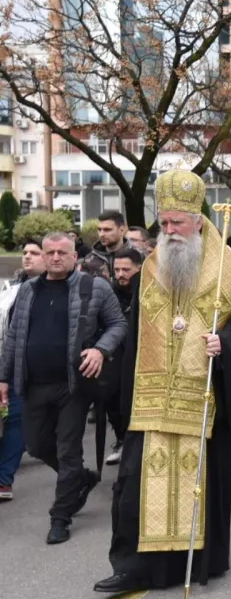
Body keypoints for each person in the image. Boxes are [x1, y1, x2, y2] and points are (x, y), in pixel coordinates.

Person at [94, 170, 231, 594]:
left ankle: (197, 562)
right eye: (163, 223)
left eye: (177, 223)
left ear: (198, 222)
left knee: (197, 488)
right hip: (151, 400)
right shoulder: (151, 267)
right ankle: (133, 569)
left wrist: (223, 345)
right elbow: (136, 333)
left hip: (201, 398)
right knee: (134, 485)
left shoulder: (230, 269)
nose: (168, 231)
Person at [0, 232, 127, 543]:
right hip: (33, 384)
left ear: (74, 257)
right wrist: (3, 378)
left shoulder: (94, 287)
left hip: (74, 384)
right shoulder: (28, 290)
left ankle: (61, 516)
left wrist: (100, 349)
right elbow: (14, 337)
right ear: (43, 256)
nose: (55, 257)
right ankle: (82, 479)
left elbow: (118, 324)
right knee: (36, 445)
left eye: (62, 252)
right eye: (50, 252)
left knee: (68, 450)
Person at [0, 238, 46, 501]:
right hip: (9, 361)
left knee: (19, 422)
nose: (27, 257)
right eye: (25, 252)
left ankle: (4, 478)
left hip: (37, 368)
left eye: (34, 253)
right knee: (12, 419)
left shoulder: (54, 288)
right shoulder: (11, 286)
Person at [104, 248, 143, 467]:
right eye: (116, 269)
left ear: (138, 268)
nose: (120, 274)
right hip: (116, 356)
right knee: (114, 401)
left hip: (141, 355)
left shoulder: (148, 290)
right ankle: (121, 440)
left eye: (126, 270)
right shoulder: (110, 293)